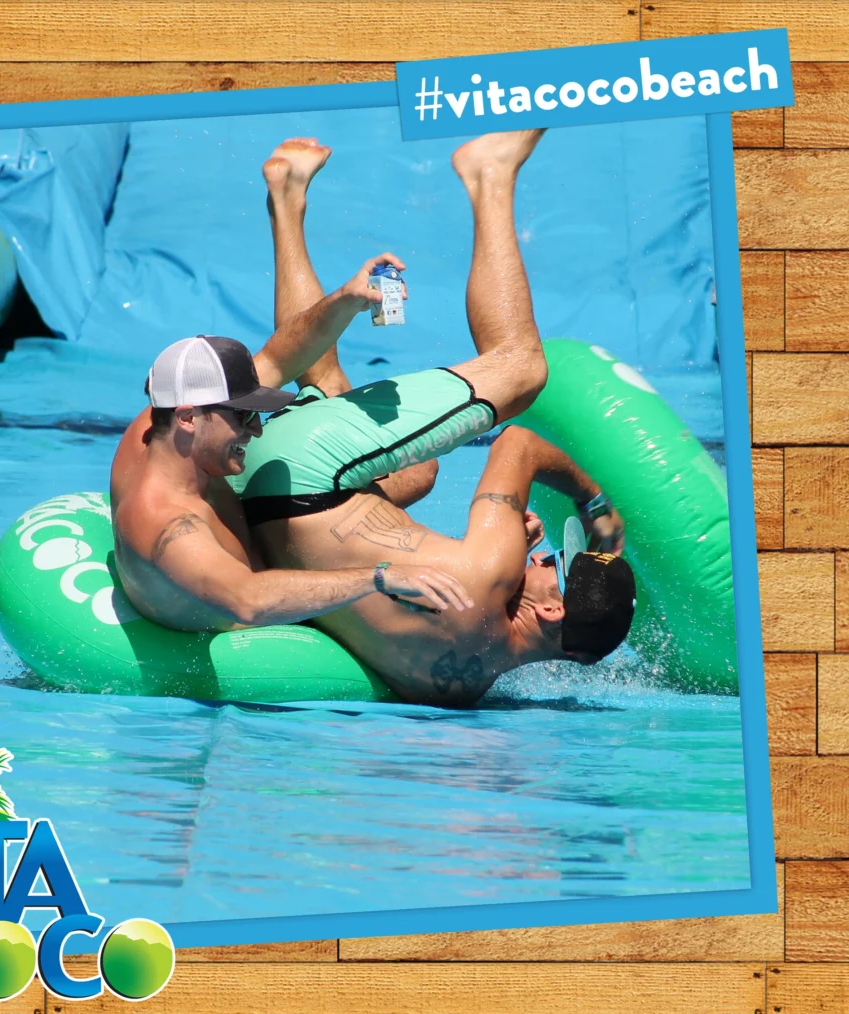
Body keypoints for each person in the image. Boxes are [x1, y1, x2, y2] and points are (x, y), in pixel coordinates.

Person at [226, 129, 636, 706]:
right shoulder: (462, 688)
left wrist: (592, 501)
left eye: (557, 566)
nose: (544, 556)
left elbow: (516, 445)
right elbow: (412, 574)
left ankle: (488, 174)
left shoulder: (493, 572)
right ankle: (287, 199)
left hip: (299, 469)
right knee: (407, 463)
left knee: (518, 371)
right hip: (264, 504)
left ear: (550, 608)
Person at [110, 144, 473, 633]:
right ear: (189, 416)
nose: (257, 429)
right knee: (377, 438)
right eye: (244, 415)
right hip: (245, 580)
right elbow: (247, 601)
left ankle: (287, 206)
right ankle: (287, 201)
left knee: (414, 467)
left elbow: (282, 356)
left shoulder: (167, 423)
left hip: (243, 508)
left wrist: (347, 300)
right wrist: (381, 576)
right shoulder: (167, 523)